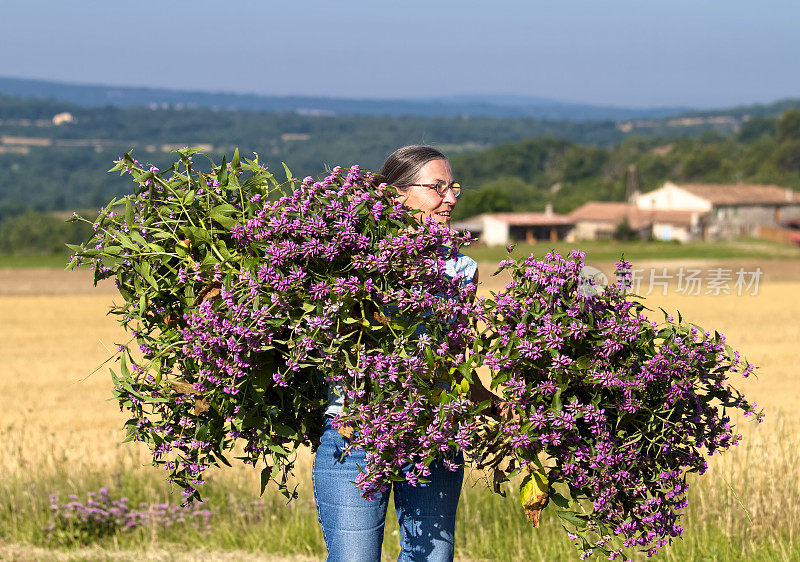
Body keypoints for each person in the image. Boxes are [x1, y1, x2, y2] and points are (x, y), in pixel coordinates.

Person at [312, 145, 491, 561]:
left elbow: (455, 361)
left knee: (431, 556)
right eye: (437, 188)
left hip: (432, 435)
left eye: (453, 188)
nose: (450, 199)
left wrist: (494, 403)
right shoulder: (349, 260)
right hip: (354, 435)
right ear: (396, 195)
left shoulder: (461, 269)